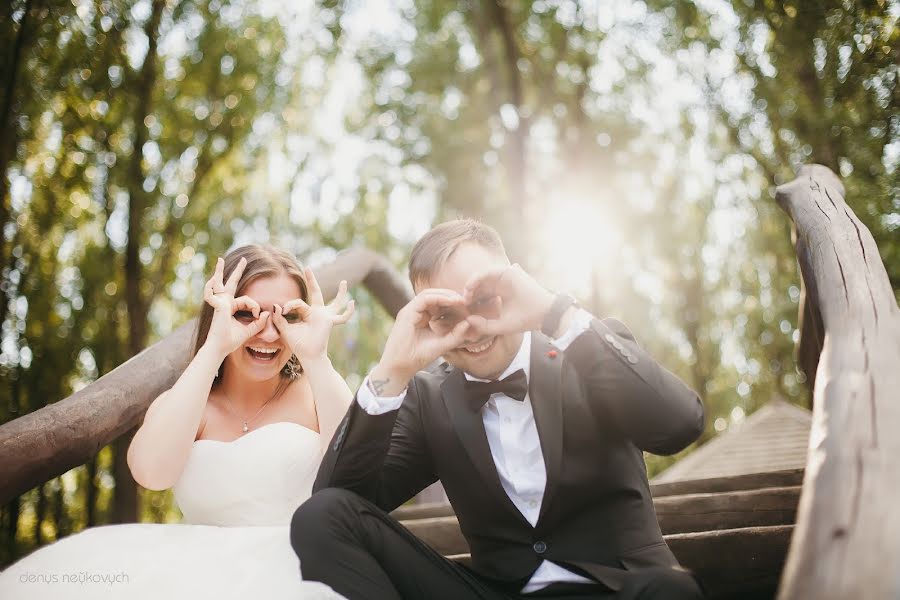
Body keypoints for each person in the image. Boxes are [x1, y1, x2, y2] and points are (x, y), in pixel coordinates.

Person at [291, 220, 706, 599]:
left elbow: (679, 426)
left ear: (515, 283)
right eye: (445, 313)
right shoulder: (428, 396)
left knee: (671, 591)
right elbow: (339, 501)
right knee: (321, 516)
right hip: (497, 592)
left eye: (484, 299)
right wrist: (391, 371)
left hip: (623, 587)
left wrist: (554, 313)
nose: (469, 327)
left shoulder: (585, 349)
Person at [0, 244, 351, 600]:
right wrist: (214, 348)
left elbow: (359, 477)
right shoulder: (188, 403)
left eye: (286, 317)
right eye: (249, 313)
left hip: (300, 572)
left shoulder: (317, 393)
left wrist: (317, 358)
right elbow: (151, 473)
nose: (269, 333)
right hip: (195, 576)